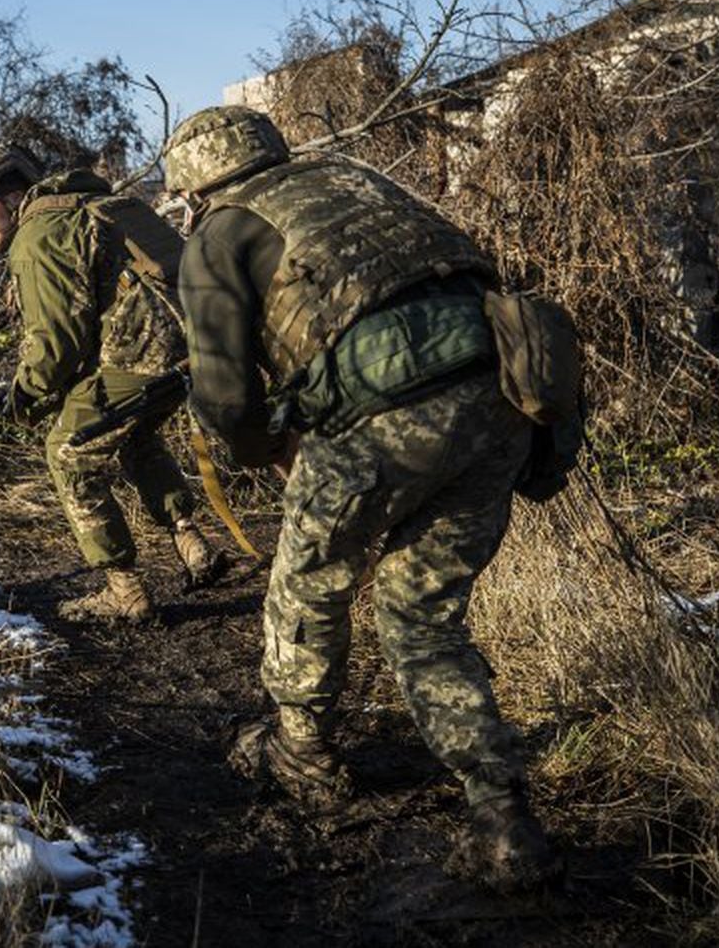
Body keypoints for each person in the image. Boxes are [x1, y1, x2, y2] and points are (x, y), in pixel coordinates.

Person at [165, 105, 558, 890]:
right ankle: (501, 813)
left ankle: (302, 752)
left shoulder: (217, 233)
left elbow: (224, 395)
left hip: (383, 421)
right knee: (423, 615)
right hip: (500, 400)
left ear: (193, 189)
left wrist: (264, 452)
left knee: (307, 585)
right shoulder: (358, 182)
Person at [0, 142, 225, 622]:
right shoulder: (102, 203)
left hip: (144, 359)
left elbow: (56, 344)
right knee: (132, 433)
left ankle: (125, 590)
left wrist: (25, 397)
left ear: (13, 196)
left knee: (67, 449)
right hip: (195, 351)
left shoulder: (38, 235)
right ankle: (192, 542)